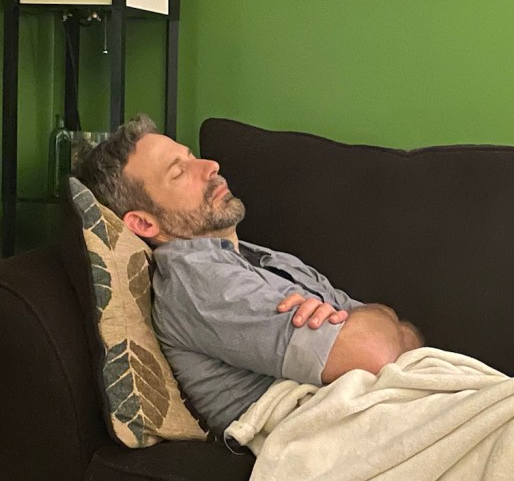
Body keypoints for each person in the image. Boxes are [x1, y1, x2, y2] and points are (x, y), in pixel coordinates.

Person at [77, 114, 423, 437]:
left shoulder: (262, 258)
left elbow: (409, 341)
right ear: (144, 223)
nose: (210, 166)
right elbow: (376, 352)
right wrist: (373, 321)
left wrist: (374, 320)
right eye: (179, 172)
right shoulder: (199, 280)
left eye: (192, 156)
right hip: (347, 431)